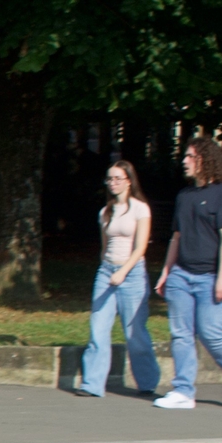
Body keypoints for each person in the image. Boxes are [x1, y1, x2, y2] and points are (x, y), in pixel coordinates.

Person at [153, 135, 222, 409]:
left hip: (212, 276)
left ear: (205, 160)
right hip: (182, 275)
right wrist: (166, 272)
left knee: (210, 331)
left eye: (189, 157)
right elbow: (176, 237)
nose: (184, 162)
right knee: (181, 333)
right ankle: (183, 391)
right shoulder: (185, 196)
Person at [76, 158, 157, 398]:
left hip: (131, 274)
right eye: (109, 178)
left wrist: (123, 271)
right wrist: (109, 269)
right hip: (107, 272)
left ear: (129, 182)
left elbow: (141, 246)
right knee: (98, 328)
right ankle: (92, 384)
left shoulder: (140, 209)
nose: (112, 183)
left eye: (118, 178)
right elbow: (105, 245)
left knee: (135, 332)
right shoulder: (105, 212)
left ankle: (147, 382)